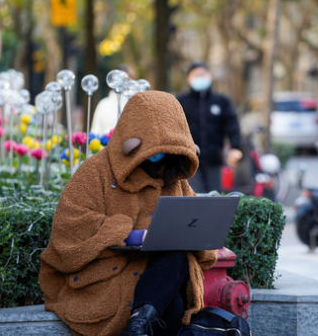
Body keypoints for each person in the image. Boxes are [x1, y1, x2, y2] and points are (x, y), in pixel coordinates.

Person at [39, 91, 217, 336]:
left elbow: (199, 237)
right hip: (108, 276)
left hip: (155, 276)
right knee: (169, 305)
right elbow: (68, 229)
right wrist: (128, 235)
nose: (158, 155)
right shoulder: (95, 171)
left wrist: (192, 234)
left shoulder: (173, 175)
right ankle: (141, 319)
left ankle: (139, 321)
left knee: (176, 264)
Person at [176, 61, 242, 193]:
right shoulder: (180, 101)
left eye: (203, 74)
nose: (200, 78)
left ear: (210, 77)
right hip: (188, 161)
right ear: (189, 78)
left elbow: (232, 124)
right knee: (193, 197)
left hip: (214, 160)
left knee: (215, 196)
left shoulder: (221, 101)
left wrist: (235, 147)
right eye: (196, 75)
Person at [90, 64, 136, 135]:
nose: (121, 82)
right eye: (118, 79)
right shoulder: (103, 104)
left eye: (126, 79)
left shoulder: (134, 105)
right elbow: (95, 132)